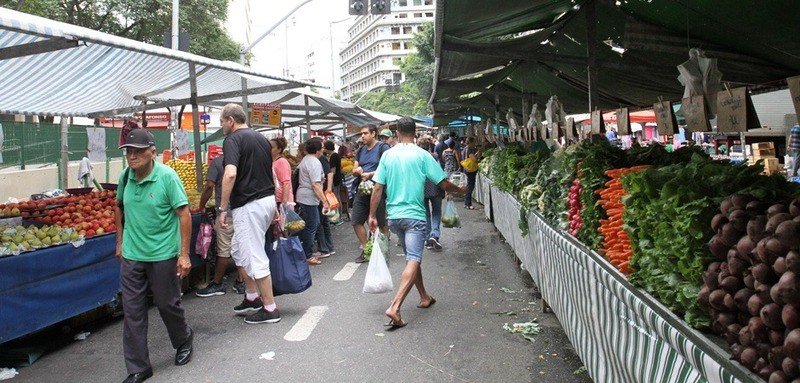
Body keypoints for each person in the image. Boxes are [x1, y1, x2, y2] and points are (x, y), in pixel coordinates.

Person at [369, 117, 465, 329]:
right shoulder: (422, 155)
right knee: (414, 258)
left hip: (394, 217)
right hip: (414, 216)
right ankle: (394, 307)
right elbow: (443, 182)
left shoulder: (387, 155)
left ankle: (424, 296)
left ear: (396, 133)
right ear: (414, 132)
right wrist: (461, 190)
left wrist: (372, 215)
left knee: (413, 257)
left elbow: (377, 188)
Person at [115, 129, 193, 383]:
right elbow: (118, 206)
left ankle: (183, 339)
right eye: (128, 151)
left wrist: (184, 255)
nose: (132, 156)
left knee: (167, 303)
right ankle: (139, 367)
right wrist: (120, 240)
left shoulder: (167, 177)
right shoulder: (125, 177)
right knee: (132, 311)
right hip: (132, 254)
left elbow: (184, 214)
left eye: (138, 151)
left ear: (152, 152)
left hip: (162, 253)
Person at [217, 104, 281, 325]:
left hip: (249, 204)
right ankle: (253, 296)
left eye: (222, 122)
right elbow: (271, 172)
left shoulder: (233, 140)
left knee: (254, 254)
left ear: (231, 120)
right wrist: (274, 204)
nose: (222, 126)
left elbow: (230, 174)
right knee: (238, 248)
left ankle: (270, 307)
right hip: (265, 200)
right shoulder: (261, 139)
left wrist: (222, 208)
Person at [195, 155, 245, 297]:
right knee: (241, 247)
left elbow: (209, 186)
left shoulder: (217, 163)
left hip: (226, 214)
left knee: (223, 249)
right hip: (243, 211)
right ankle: (241, 282)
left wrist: (202, 205)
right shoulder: (243, 160)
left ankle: (217, 284)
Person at [351, 124, 391, 263]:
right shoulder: (361, 150)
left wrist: (371, 174)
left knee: (380, 223)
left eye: (365, 133)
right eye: (361, 133)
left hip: (378, 189)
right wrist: (358, 171)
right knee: (356, 221)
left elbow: (387, 168)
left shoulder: (382, 148)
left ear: (373, 134)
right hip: (362, 189)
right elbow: (354, 168)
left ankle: (383, 250)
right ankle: (367, 249)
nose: (362, 136)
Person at [296, 138, 330, 265]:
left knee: (308, 225)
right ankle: (307, 255)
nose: (323, 149)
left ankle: (302, 252)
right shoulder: (314, 162)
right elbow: (315, 184)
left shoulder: (306, 159)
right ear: (317, 150)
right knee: (312, 225)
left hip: (304, 197)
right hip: (308, 198)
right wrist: (325, 201)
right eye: (321, 147)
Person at [313, 138, 335, 259]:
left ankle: (324, 249)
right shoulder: (319, 158)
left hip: (321, 193)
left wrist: (329, 189)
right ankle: (329, 247)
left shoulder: (320, 159)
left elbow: (330, 173)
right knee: (324, 221)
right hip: (321, 193)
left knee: (321, 222)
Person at [462, 138, 480, 210]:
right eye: (474, 142)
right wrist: (479, 153)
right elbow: (474, 159)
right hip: (470, 170)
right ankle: (468, 204)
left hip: (467, 169)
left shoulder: (464, 149)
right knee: (470, 186)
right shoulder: (469, 149)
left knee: (469, 185)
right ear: (470, 142)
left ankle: (466, 203)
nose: (474, 144)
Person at [336, 143, 351, 222]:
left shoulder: (342, 160)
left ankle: (346, 214)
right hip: (348, 179)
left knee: (343, 198)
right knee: (346, 198)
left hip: (345, 180)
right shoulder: (346, 160)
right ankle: (347, 214)